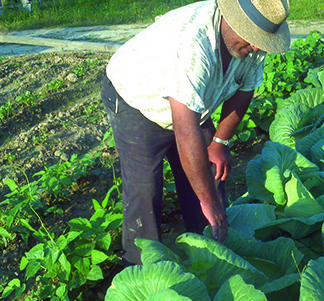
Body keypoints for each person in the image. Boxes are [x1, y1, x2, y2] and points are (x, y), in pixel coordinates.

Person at [100, 0, 291, 265]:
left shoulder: (254, 43)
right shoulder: (193, 44)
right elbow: (184, 130)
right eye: (251, 38)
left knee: (210, 174)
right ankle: (141, 271)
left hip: (192, 106)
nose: (256, 47)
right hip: (137, 100)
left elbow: (245, 88)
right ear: (232, 20)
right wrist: (208, 200)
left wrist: (220, 141)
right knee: (145, 190)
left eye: (261, 40)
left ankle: (209, 257)